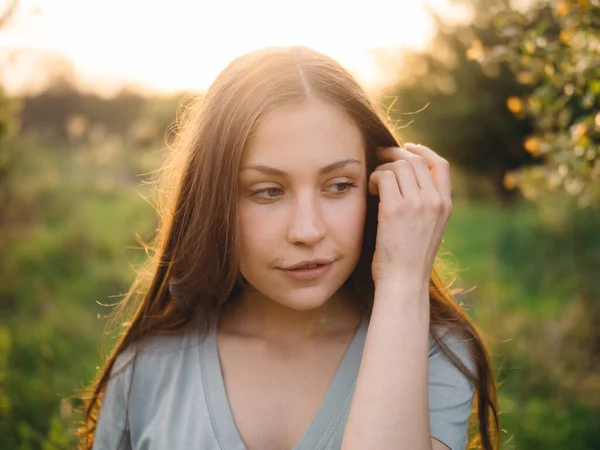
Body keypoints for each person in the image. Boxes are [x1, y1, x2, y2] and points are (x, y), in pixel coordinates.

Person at [79, 46, 499, 450]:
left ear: (375, 186)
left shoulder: (430, 353)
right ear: (214, 201)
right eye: (267, 191)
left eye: (338, 186)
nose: (307, 230)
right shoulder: (147, 370)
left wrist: (404, 279)